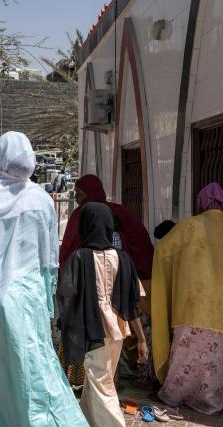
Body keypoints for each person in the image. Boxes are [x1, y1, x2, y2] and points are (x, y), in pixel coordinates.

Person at [0, 131, 87, 427]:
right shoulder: (42, 199)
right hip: (33, 297)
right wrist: (50, 304)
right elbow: (51, 259)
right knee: (35, 371)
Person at [59, 174, 155, 387]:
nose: (76, 196)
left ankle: (96, 392)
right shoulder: (118, 216)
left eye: (79, 192)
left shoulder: (83, 221)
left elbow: (67, 253)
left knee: (94, 357)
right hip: (117, 298)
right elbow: (141, 243)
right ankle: (110, 384)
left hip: (91, 296)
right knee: (112, 351)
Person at [58, 202, 148, 427]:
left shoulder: (78, 258)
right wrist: (141, 339)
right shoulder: (123, 259)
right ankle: (87, 419)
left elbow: (65, 297)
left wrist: (64, 329)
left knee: (101, 381)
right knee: (100, 378)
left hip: (91, 328)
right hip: (118, 329)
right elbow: (132, 302)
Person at [151, 182, 223, 415]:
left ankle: (177, 395)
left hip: (190, 308)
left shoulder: (189, 226)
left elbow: (163, 249)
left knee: (187, 362)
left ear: (201, 203)